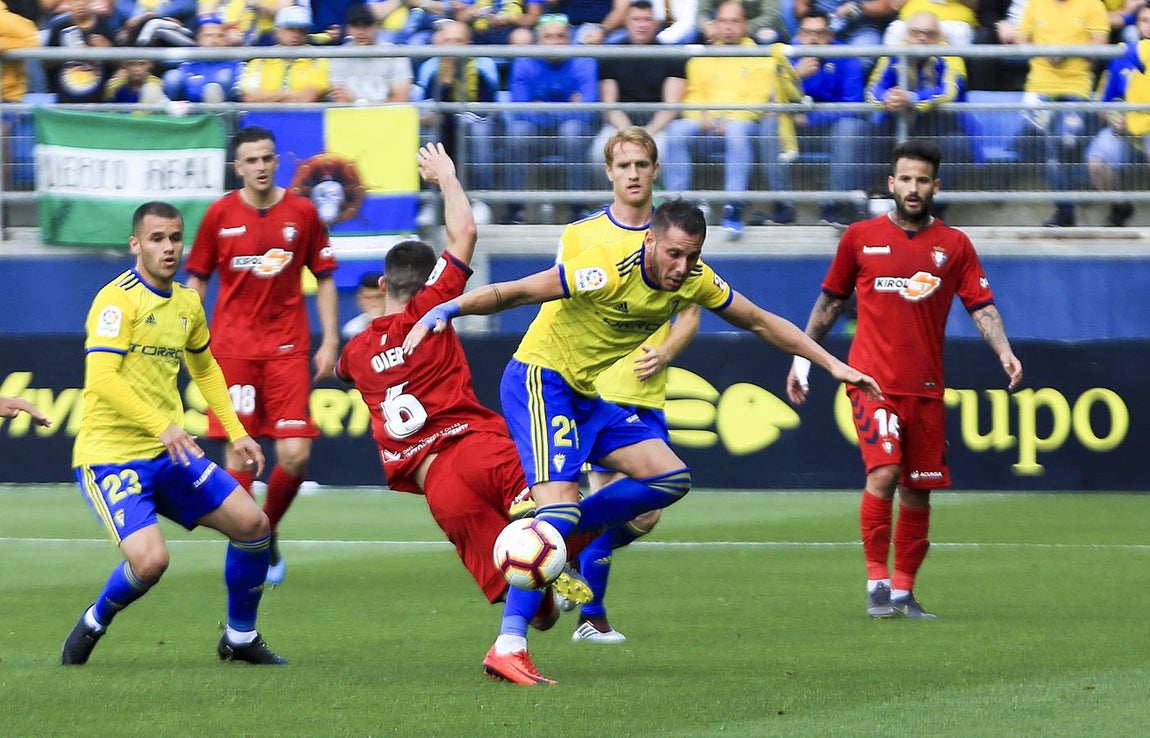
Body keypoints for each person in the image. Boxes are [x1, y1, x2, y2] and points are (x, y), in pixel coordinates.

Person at [401, 200, 885, 621]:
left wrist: (831, 364)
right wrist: (450, 309)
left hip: (584, 394)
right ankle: (510, 641)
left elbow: (760, 321)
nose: (682, 266)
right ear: (650, 241)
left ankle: (558, 537)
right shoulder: (605, 269)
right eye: (674, 253)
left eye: (692, 256)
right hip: (540, 379)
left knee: (670, 478)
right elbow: (522, 291)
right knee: (558, 510)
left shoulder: (696, 281)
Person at [337, 143, 588, 686]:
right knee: (566, 501)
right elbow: (464, 233)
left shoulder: (355, 353)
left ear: (381, 287)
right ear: (427, 282)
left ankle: (522, 620)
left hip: (437, 487)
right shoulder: (432, 307)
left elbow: (342, 371)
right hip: (473, 447)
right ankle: (558, 553)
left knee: (538, 610)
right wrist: (446, 177)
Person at [784, 139, 1023, 620]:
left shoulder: (954, 245)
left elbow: (980, 305)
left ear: (936, 186)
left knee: (917, 489)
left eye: (922, 180)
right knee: (885, 472)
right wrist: (802, 360)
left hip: (926, 388)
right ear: (891, 183)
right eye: (906, 179)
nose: (913, 188)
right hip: (870, 381)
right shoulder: (860, 237)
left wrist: (1004, 350)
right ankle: (876, 582)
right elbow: (830, 303)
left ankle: (903, 592)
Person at [62, 200, 285, 667]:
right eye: (157, 238)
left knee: (253, 526)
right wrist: (163, 426)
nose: (169, 247)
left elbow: (205, 369)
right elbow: (101, 379)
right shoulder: (117, 299)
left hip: (169, 453)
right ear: (136, 244)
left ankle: (240, 637)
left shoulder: (187, 302)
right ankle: (95, 619)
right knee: (150, 563)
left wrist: (237, 432)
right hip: (111, 455)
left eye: (176, 238)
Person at [561, 127, 701, 643]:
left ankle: (560, 548)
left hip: (649, 389)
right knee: (618, 500)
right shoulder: (582, 235)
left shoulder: (675, 235)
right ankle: (590, 616)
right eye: (624, 165)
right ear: (609, 173)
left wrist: (666, 350)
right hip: (602, 390)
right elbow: (560, 302)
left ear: (655, 170)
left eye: (642, 164)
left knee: (646, 514)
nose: (634, 174)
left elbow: (692, 311)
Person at [186, 126, 340, 587]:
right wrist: (189, 333)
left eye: (267, 158)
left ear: (277, 161)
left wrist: (330, 340)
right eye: (251, 160)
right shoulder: (219, 214)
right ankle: (248, 539)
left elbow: (325, 277)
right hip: (232, 351)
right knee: (240, 455)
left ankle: (264, 528)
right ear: (238, 166)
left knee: (294, 454)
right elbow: (197, 279)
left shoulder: (302, 213)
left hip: (287, 350)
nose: (260, 166)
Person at [662, 1, 797, 239]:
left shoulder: (760, 56)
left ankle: (733, 205)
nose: (728, 27)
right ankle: (677, 204)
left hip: (744, 125)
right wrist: (701, 115)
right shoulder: (702, 56)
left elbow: (758, 99)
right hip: (707, 124)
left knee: (736, 131)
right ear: (715, 24)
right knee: (676, 129)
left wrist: (733, 118)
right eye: (723, 21)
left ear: (744, 25)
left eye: (734, 22)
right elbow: (694, 94)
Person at [760, 10, 868, 225]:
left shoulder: (847, 57)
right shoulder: (786, 55)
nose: (812, 39)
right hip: (794, 129)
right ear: (799, 34)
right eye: (807, 33)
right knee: (770, 124)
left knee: (850, 128)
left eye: (819, 33)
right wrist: (795, 76)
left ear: (830, 36)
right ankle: (783, 204)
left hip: (832, 128)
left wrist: (811, 119)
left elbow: (853, 107)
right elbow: (769, 100)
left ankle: (832, 205)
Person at [1011, 0, 1109, 226]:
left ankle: (1066, 210)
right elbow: (1021, 40)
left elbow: (1100, 44)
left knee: (1063, 143)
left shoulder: (1093, 4)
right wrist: (1045, 52)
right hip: (1038, 87)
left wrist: (1065, 52)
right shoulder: (1034, 4)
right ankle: (1066, 208)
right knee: (1035, 146)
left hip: (1075, 88)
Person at [503, 14, 599, 224]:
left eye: (560, 37)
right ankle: (515, 208)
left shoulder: (585, 61)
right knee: (517, 132)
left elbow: (587, 111)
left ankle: (578, 207)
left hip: (574, 132)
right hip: (535, 132)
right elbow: (519, 110)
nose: (555, 42)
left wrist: (541, 107)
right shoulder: (524, 62)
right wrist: (568, 107)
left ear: (570, 39)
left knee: (572, 131)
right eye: (548, 37)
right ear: (538, 40)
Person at [865, 12, 973, 194]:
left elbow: (948, 91)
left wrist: (912, 98)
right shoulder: (893, 54)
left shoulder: (951, 56)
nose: (922, 38)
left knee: (956, 143)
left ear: (940, 37)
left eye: (929, 34)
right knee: (857, 132)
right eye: (915, 33)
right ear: (906, 35)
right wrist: (887, 98)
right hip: (894, 128)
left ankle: (935, 206)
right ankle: (859, 202)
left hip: (938, 129)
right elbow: (873, 89)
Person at [589, 0, 687, 170]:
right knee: (599, 153)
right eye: (636, 19)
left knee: (664, 154)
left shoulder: (672, 55)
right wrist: (630, 134)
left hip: (659, 127)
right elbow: (609, 105)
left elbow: (671, 106)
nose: (641, 25)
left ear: (655, 24)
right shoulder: (611, 54)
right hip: (620, 125)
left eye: (647, 19)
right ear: (626, 22)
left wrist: (647, 134)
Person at [1086, 12, 1150, 227]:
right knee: (1097, 164)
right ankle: (1121, 208)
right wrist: (1116, 118)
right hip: (1124, 130)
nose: (1149, 26)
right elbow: (1103, 103)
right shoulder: (1122, 56)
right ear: (1136, 25)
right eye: (1145, 21)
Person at [238, 5, 330, 104]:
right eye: (290, 29)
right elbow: (249, 97)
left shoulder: (317, 60)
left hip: (302, 114)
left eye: (302, 30)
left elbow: (308, 97)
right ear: (277, 32)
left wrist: (268, 97)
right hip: (264, 114)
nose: (296, 35)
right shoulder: (260, 60)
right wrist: (289, 94)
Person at [328, 3, 413, 105]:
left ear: (377, 26)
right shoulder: (338, 56)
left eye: (366, 25)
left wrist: (357, 103)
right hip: (352, 113)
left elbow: (401, 99)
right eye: (356, 25)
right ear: (348, 29)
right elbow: (340, 100)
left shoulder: (396, 54)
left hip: (388, 114)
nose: (361, 31)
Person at [340, 271, 386, 339]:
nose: (374, 302)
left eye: (379, 297)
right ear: (359, 300)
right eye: (368, 298)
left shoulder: (400, 324)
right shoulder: (351, 329)